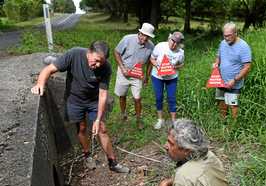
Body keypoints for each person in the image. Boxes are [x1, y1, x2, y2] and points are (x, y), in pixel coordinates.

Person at [31, 41, 129, 173]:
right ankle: (87, 155)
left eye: (101, 62)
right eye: (96, 60)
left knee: (102, 129)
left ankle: (112, 162)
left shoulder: (106, 67)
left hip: (94, 101)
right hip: (74, 100)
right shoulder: (74, 54)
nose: (98, 65)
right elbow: (49, 69)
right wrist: (40, 84)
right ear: (89, 53)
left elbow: (103, 94)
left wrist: (98, 119)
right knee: (82, 128)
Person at [114, 23, 155, 129]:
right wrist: (122, 68)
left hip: (137, 75)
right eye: (143, 35)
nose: (145, 38)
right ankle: (123, 114)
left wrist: (147, 76)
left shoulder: (151, 46)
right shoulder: (127, 39)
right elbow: (116, 52)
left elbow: (150, 62)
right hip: (124, 72)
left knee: (137, 98)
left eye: (148, 36)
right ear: (139, 33)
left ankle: (138, 119)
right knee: (122, 95)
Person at [214, 22, 252, 119]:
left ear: (235, 33)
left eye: (229, 36)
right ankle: (222, 122)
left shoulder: (244, 47)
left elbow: (247, 67)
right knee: (221, 101)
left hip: (234, 82)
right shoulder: (223, 43)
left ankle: (233, 127)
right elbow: (218, 56)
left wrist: (234, 80)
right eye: (224, 36)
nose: (226, 38)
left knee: (233, 105)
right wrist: (216, 64)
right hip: (221, 80)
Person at [150, 32, 185, 129]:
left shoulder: (180, 52)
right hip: (157, 76)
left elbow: (182, 64)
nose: (173, 45)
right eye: (172, 41)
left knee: (172, 98)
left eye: (176, 43)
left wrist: (175, 66)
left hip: (172, 77)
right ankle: (160, 120)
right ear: (169, 39)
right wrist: (157, 65)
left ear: (179, 44)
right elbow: (152, 58)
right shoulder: (160, 46)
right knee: (159, 97)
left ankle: (174, 122)